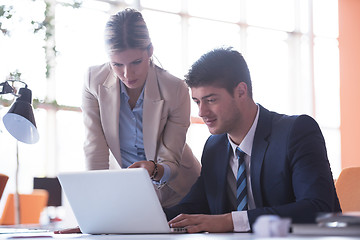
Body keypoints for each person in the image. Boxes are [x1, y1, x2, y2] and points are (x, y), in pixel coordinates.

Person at [164, 47, 341, 233]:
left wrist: (231, 221)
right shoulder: (214, 147)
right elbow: (194, 207)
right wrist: (148, 217)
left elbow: (317, 209)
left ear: (241, 91)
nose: (202, 112)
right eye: (198, 102)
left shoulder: (296, 132)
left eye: (211, 100)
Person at [81, 8, 200, 208]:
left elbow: (170, 159)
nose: (128, 74)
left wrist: (154, 170)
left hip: (180, 191)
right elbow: (95, 150)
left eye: (136, 62)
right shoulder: (94, 81)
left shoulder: (175, 89)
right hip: (134, 194)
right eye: (117, 64)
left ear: (150, 51)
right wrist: (94, 207)